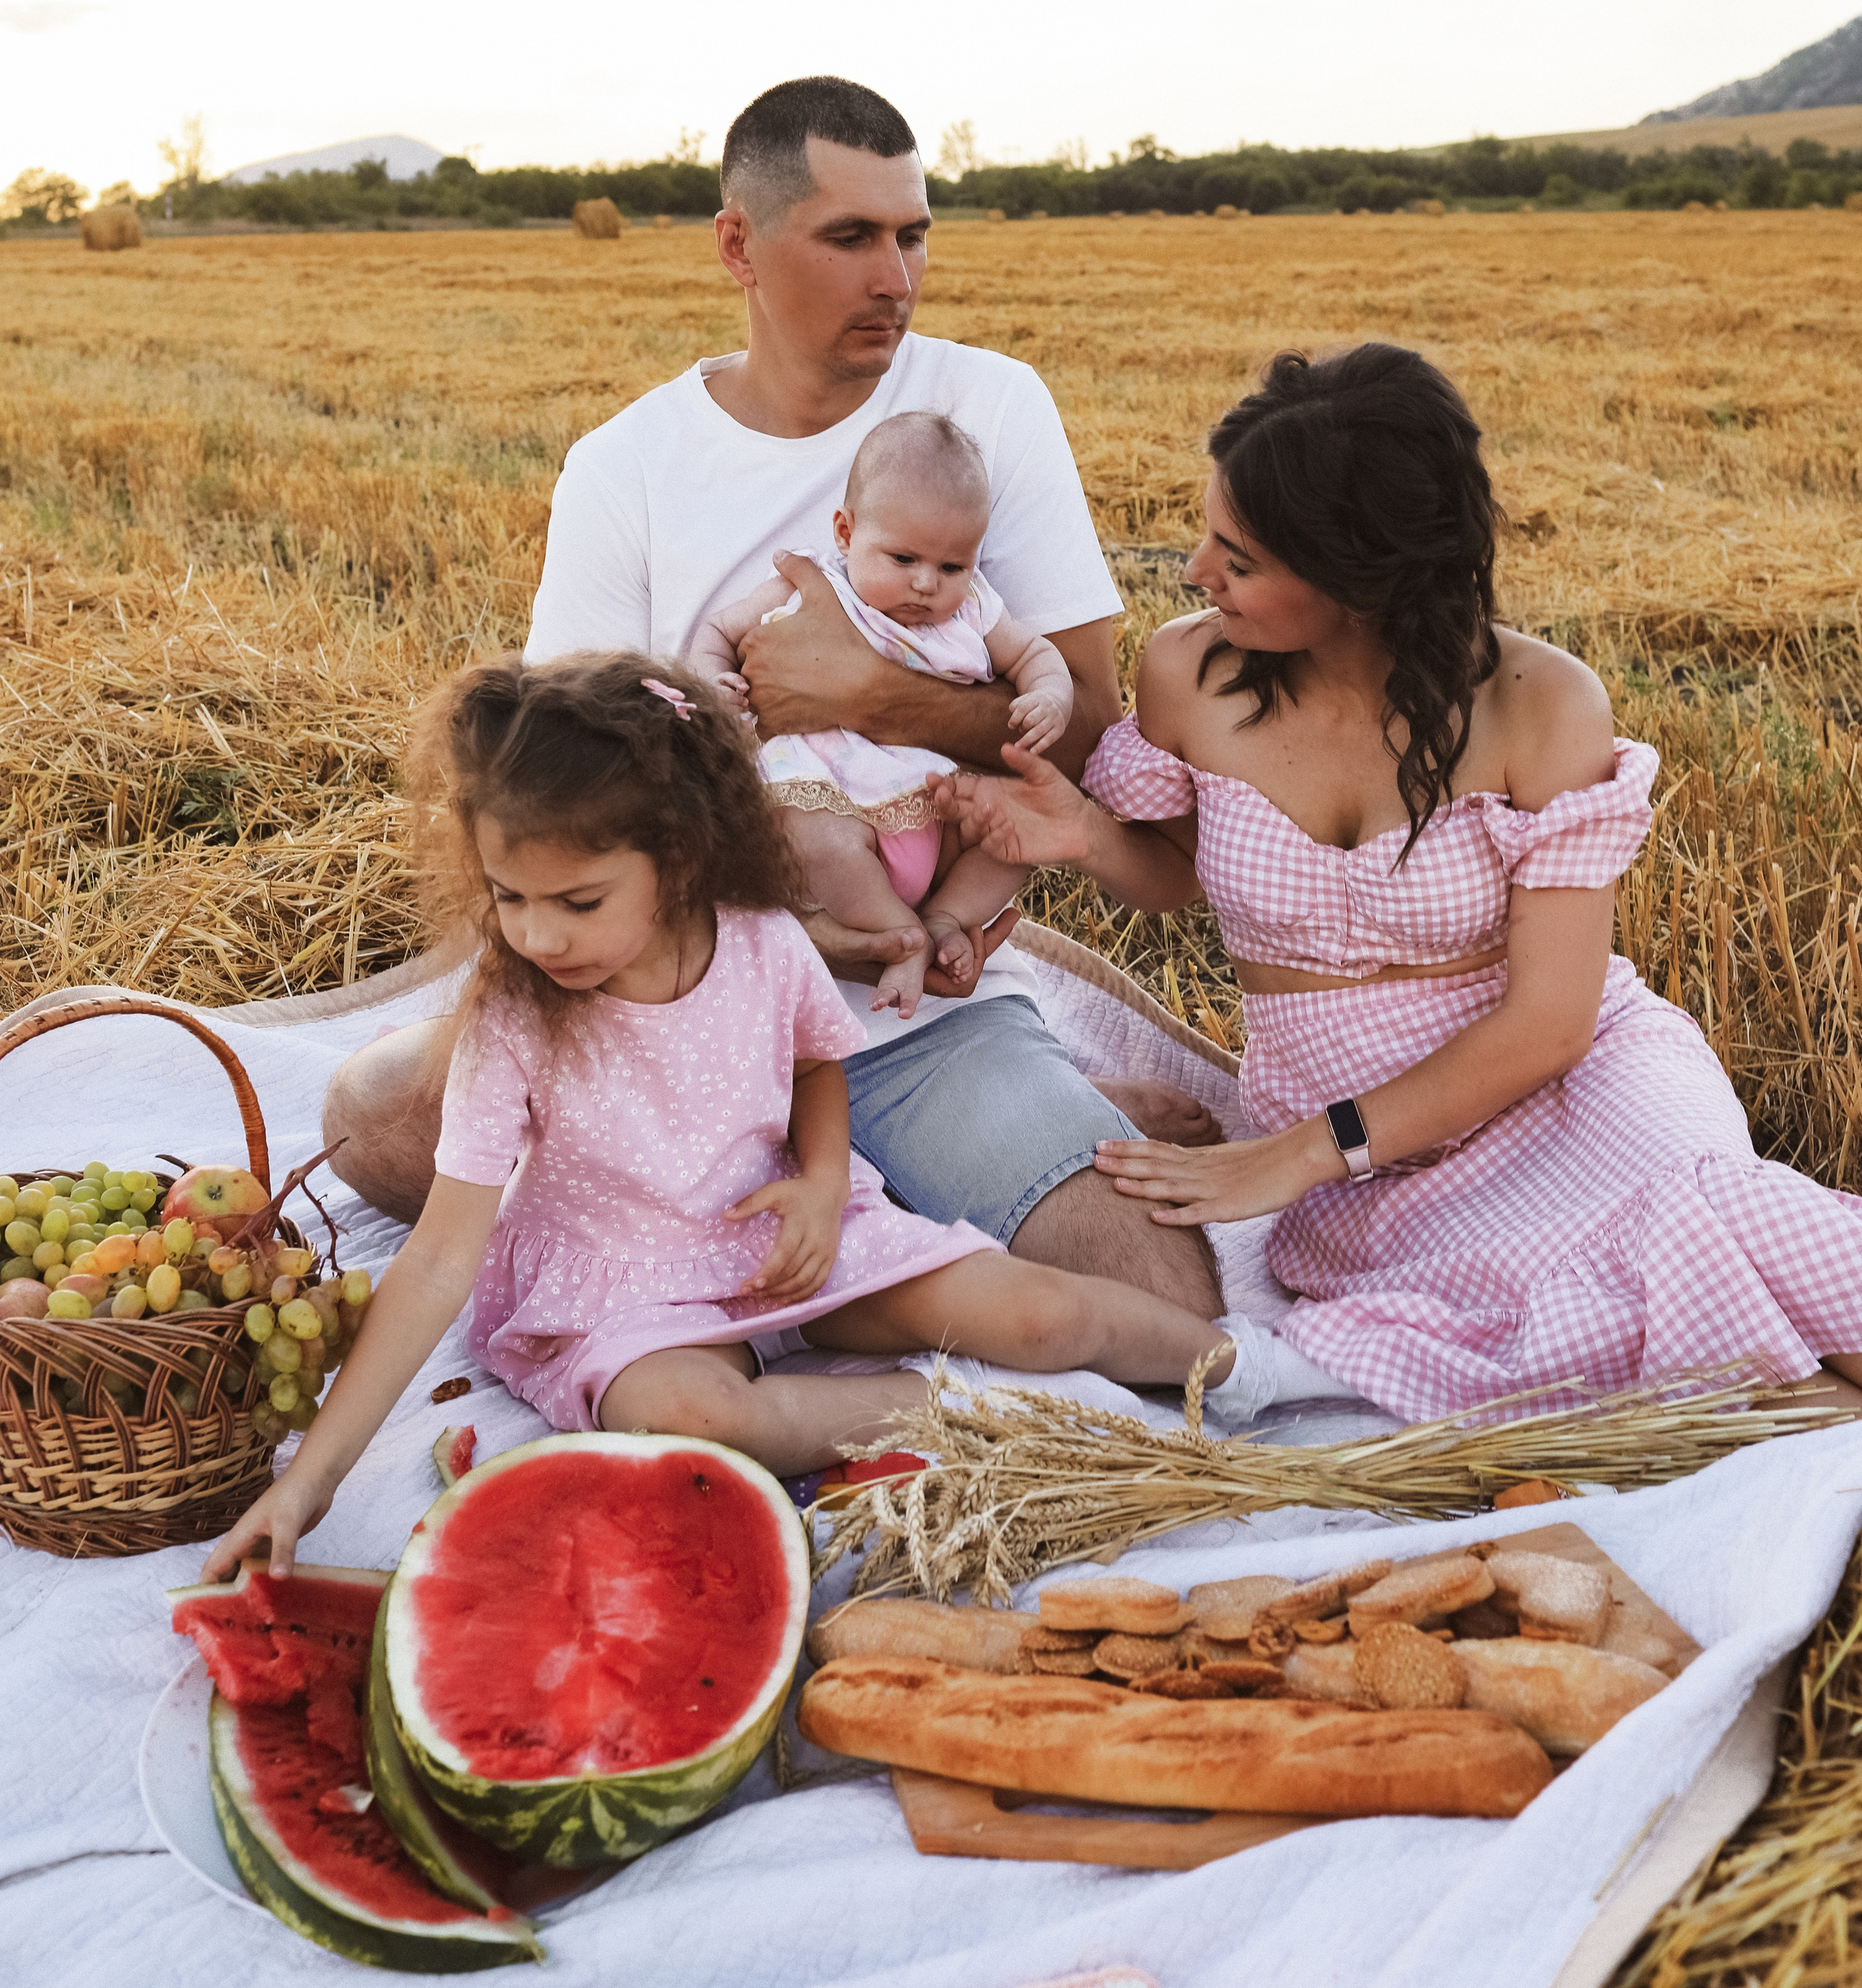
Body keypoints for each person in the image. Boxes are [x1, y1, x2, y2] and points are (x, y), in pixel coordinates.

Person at [321, 75, 1221, 1319]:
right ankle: (875, 1210)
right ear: (739, 246)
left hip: (915, 1008)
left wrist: (878, 697)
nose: (895, 277)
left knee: (1163, 1292)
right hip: (679, 1006)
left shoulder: (989, 408)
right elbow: (554, 789)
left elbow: (1091, 731)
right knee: (371, 1122)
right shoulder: (625, 469)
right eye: (850, 237)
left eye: (913, 234)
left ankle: (876, 1181)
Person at [932, 342, 1862, 1422]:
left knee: (1716, 1223)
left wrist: (1294, 1157)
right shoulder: (1189, 674)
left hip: (1566, 1086)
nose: (1195, 570)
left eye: (1237, 559)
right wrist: (1089, 838)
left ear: (1357, 577)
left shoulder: (1540, 702)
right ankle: (1812, 1420)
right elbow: (1175, 878)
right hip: (1373, 1165)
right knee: (1554, 1327)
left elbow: (1552, 1021)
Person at [203, 657, 1274, 1580]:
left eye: (577, 902)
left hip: (781, 1232)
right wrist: (311, 1481)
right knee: (701, 1419)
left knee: (1050, 1314)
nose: (537, 933)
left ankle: (1256, 1373)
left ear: (678, 860)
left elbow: (816, 1056)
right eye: (508, 895)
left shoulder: (759, 940)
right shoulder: (516, 1009)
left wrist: (818, 1181)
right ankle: (997, 1416)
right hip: (620, 1275)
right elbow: (439, 1258)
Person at [692, 411, 1074, 1020]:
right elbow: (720, 629)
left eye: (953, 566)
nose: (927, 584)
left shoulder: (974, 609)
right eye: (902, 559)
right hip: (834, 793)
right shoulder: (815, 581)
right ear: (845, 532)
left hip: (939, 805)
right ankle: (902, 937)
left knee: (1021, 829)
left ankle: (948, 916)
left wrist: (1049, 693)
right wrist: (714, 681)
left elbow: (1034, 654)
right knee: (815, 842)